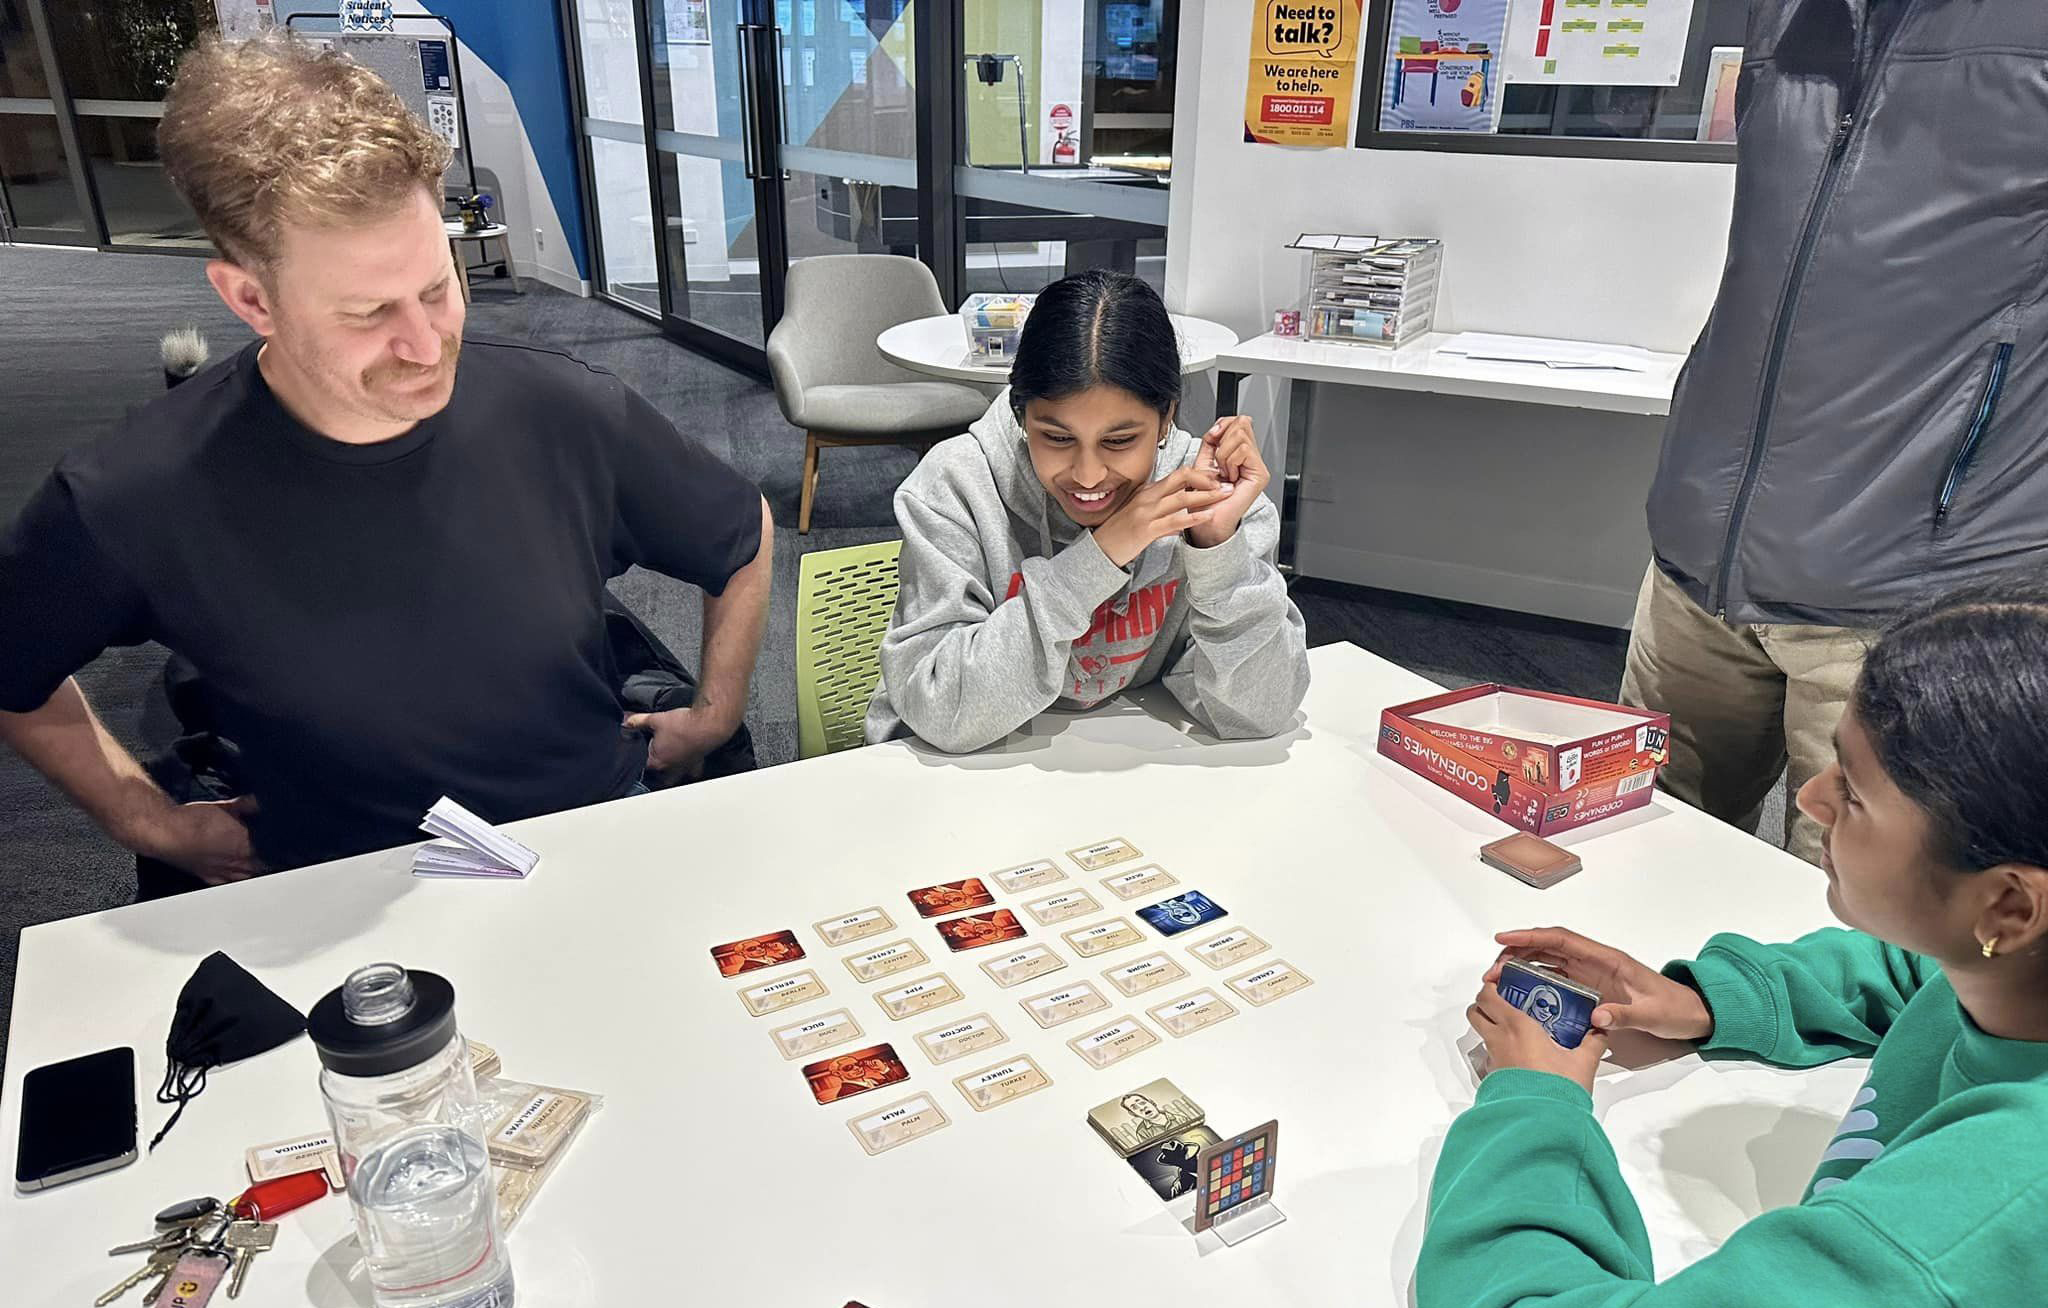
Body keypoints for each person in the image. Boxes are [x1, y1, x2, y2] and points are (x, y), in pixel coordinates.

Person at [0, 35, 773, 895]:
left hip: (587, 841)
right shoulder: (134, 494)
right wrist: (144, 821)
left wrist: (717, 710)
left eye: (437, 288)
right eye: (368, 313)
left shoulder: (562, 411)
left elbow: (741, 534)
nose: (425, 345)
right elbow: (14, 673)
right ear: (250, 299)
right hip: (337, 886)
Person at [1422, 572, 2048, 1307]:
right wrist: (1705, 1001)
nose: (1809, 796)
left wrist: (1534, 1104)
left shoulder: (1956, 1234)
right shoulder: (2009, 968)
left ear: (2008, 907)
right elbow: (1917, 973)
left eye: (1853, 791)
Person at [1622, 0, 2048, 866]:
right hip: (1699, 561)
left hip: (1908, 594)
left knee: (1854, 932)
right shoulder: (1791, 14)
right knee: (1639, 863)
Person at [865, 270, 1308, 751]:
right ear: (1020, 416)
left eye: (1119, 441)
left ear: (1166, 417)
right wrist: (1104, 553)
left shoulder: (1210, 499)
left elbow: (1263, 712)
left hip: (1109, 770)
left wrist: (1216, 549)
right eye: (1056, 438)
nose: (1089, 475)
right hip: (946, 774)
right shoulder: (956, 486)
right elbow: (941, 711)